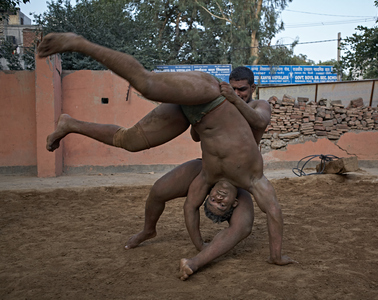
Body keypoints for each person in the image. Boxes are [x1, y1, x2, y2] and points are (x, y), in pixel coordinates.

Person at [37, 33, 295, 279]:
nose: (217, 198)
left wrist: (198, 248)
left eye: (215, 202)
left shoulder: (208, 175)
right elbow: (273, 208)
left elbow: (191, 205)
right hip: (208, 95)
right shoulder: (253, 169)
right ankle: (78, 43)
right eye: (236, 88)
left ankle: (70, 124)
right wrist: (277, 255)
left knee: (129, 141)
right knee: (147, 84)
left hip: (193, 114)